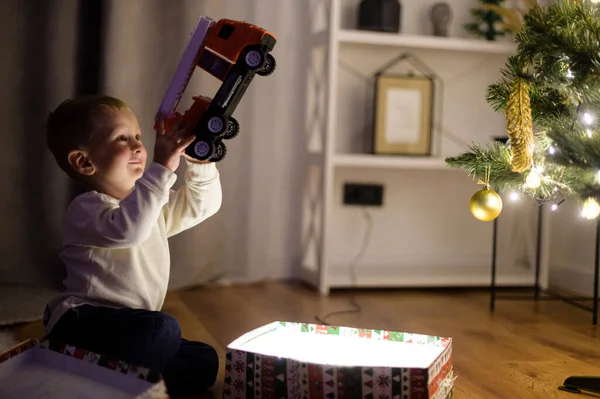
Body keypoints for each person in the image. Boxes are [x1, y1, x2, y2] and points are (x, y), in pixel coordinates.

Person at [41, 94, 222, 397]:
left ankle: (115, 380)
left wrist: (199, 163)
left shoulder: (149, 204)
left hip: (130, 329)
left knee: (204, 359)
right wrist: (161, 168)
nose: (139, 146)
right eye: (122, 139)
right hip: (82, 324)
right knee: (163, 330)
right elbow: (130, 230)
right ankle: (95, 375)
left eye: (138, 136)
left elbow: (201, 206)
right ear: (85, 162)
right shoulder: (86, 209)